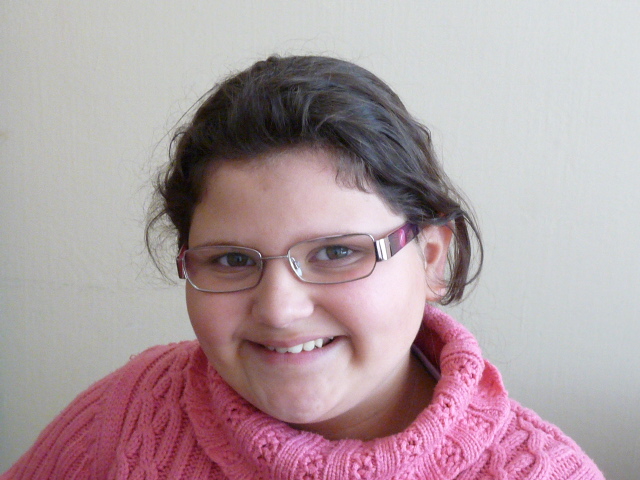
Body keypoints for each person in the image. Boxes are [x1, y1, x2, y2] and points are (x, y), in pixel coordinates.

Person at [1, 55, 605, 479]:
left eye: (337, 252)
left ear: (430, 259)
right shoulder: (132, 411)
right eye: (232, 259)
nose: (280, 309)